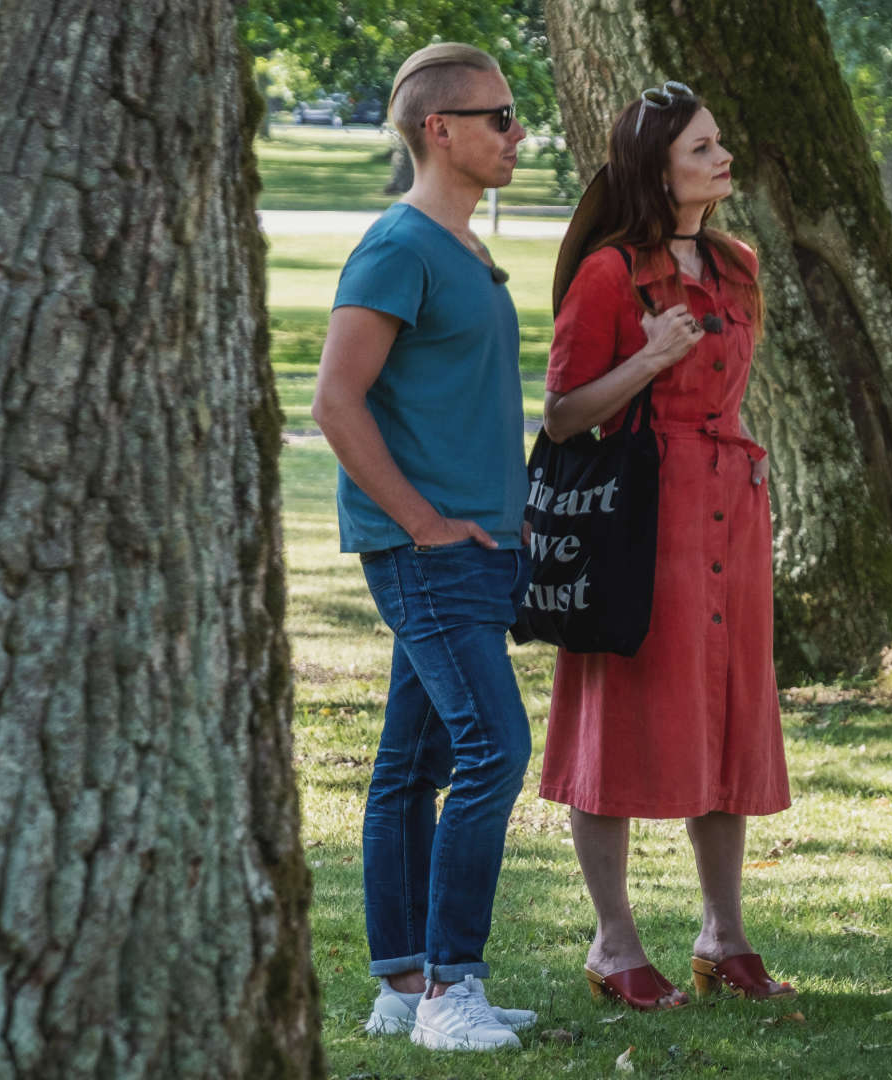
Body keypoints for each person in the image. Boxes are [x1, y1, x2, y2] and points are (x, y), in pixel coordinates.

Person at [537, 81, 793, 1011]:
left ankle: (725, 936)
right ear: (656, 169)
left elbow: (727, 390)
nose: (723, 159)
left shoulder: (735, 262)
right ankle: (614, 943)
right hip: (642, 520)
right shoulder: (610, 273)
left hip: (732, 509)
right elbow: (562, 417)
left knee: (725, 716)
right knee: (620, 721)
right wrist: (648, 359)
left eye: (719, 142)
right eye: (701, 149)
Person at [311, 42, 538, 1053]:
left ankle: (403, 986)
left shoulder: (465, 250)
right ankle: (452, 990)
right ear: (439, 130)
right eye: (499, 116)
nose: (517, 133)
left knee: (414, 764)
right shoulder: (398, 247)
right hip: (429, 551)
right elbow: (336, 399)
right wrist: (422, 523)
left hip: (478, 545)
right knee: (494, 748)